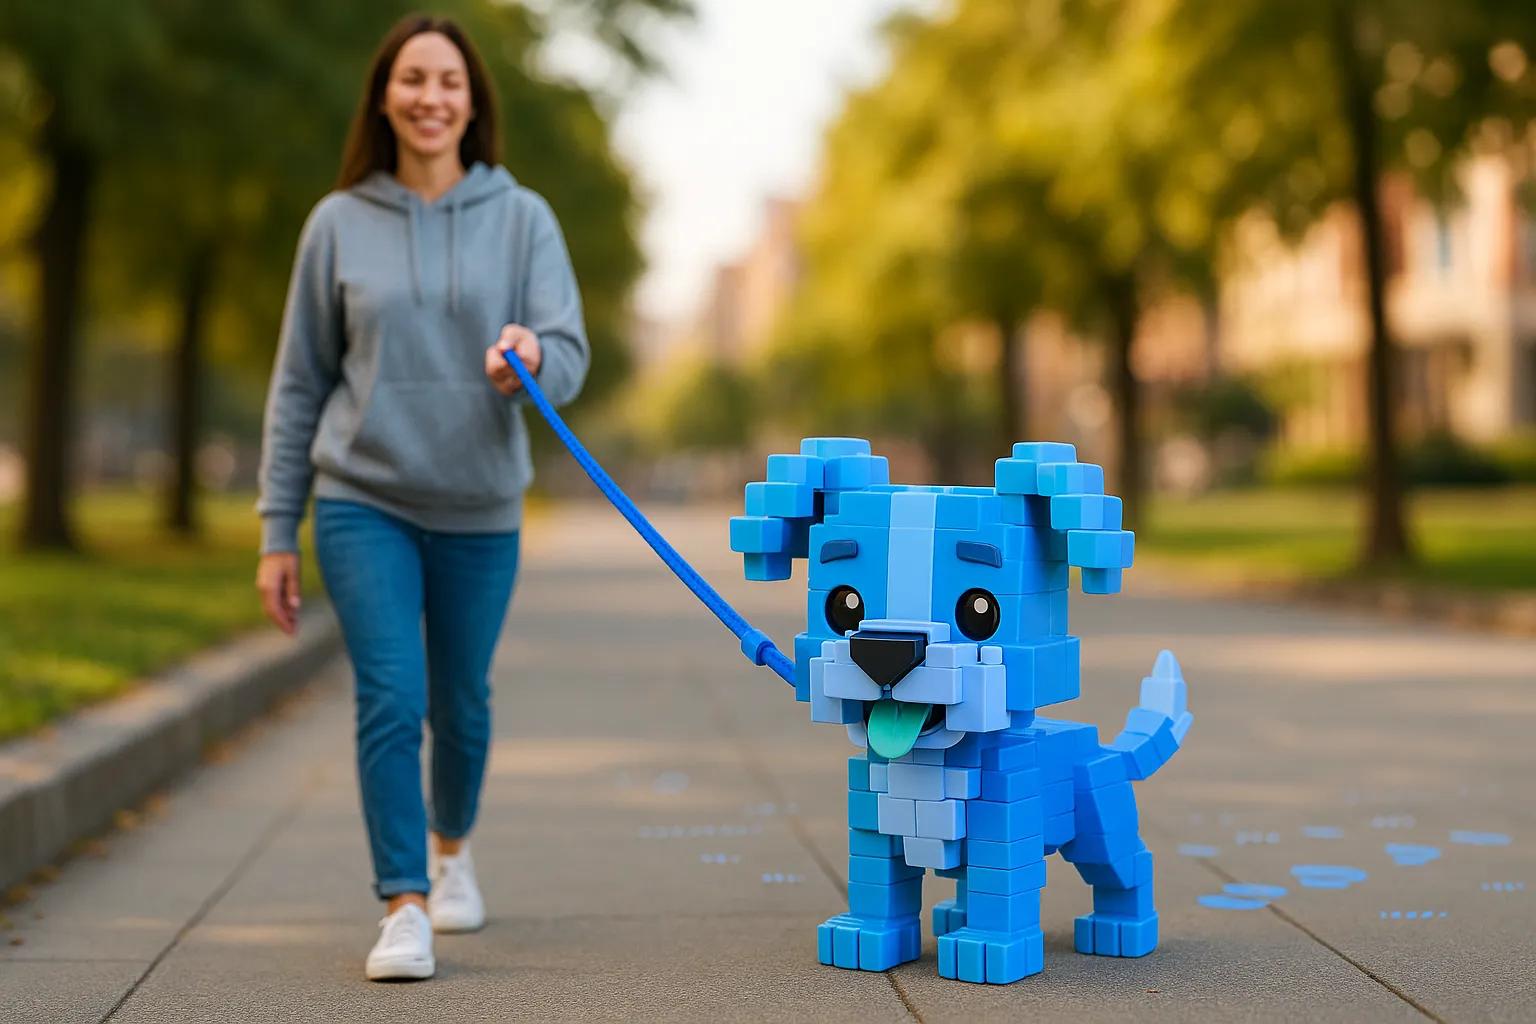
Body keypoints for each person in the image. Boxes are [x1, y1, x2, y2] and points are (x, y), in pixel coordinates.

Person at [254, 13, 589, 982]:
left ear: (473, 100)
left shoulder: (522, 216)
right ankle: (403, 902)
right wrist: (279, 528)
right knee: (392, 695)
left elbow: (567, 350)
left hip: (481, 503)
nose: (431, 97)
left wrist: (531, 354)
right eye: (413, 79)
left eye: (449, 81)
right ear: (385, 97)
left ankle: (452, 849)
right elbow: (298, 383)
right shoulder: (337, 223)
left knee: (464, 702)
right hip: (365, 499)